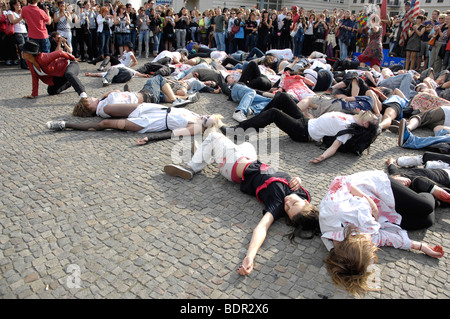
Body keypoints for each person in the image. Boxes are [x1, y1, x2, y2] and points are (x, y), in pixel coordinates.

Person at [162, 131, 320, 276]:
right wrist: (298, 178)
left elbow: (262, 228)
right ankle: (204, 154)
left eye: (288, 209)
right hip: (251, 160)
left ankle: (191, 167)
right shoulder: (303, 193)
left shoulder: (277, 202)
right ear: (305, 201)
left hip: (232, 167)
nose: (288, 202)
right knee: (247, 145)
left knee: (214, 136)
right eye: (294, 203)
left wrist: (249, 256)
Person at [320, 170, 443, 296]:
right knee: (427, 220)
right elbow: (383, 238)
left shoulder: (335, 213)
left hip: (371, 187)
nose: (374, 245)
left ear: (355, 239)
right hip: (381, 213)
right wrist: (421, 247)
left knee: (426, 207)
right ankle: (423, 198)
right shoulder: (354, 247)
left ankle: (413, 180)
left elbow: (340, 180)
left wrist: (369, 201)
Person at [230, 92, 380, 163]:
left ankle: (239, 131)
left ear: (366, 124)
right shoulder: (351, 116)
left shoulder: (348, 130)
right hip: (307, 121)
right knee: (281, 96)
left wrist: (322, 157)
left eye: (371, 116)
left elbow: (334, 147)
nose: (369, 112)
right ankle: (257, 120)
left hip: (302, 132)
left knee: (275, 114)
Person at [45, 100, 218, 136]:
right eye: (207, 115)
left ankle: (65, 124)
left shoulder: (195, 127)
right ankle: (88, 109)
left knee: (106, 123)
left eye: (205, 120)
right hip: (153, 109)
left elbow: (172, 134)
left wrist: (150, 139)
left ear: (204, 127)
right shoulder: (196, 115)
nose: (204, 116)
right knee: (109, 109)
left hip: (152, 122)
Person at [20, 40, 87, 99]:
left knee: (69, 73)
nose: (22, 53)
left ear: (31, 54)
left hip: (70, 64)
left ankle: (83, 94)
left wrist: (73, 58)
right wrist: (34, 94)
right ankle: (71, 82)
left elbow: (60, 52)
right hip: (60, 74)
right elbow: (34, 77)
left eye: (24, 51)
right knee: (51, 91)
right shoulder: (29, 62)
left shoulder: (42, 58)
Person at [7, 0, 28, 69]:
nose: (18, 6)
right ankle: (24, 64)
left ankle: (28, 63)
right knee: (22, 48)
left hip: (25, 31)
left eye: (19, 5)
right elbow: (13, 21)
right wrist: (21, 16)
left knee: (27, 48)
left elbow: (26, 22)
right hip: (17, 32)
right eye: (16, 5)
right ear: (13, 6)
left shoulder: (21, 12)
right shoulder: (11, 12)